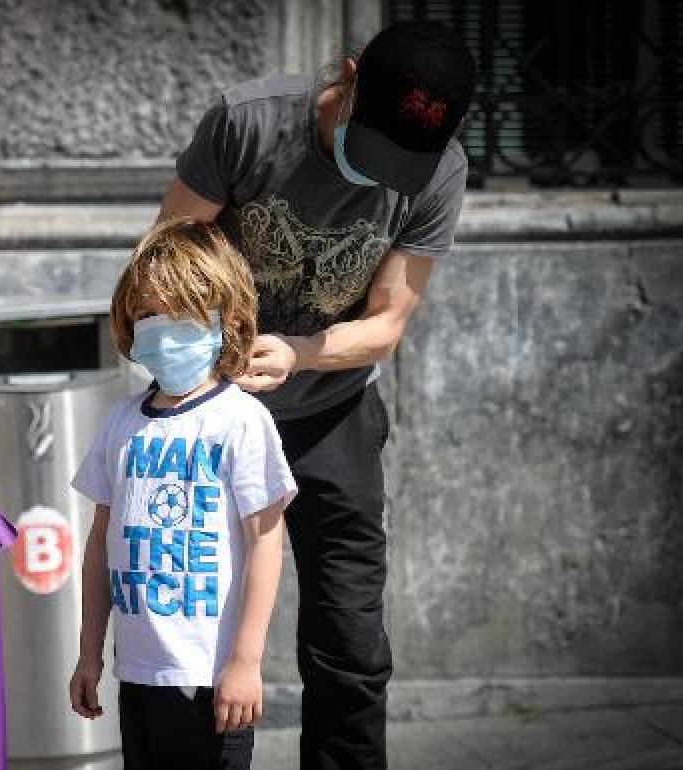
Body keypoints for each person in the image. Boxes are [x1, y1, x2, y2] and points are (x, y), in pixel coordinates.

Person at [154, 19, 478, 770]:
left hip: (336, 416)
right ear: (350, 77)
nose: (379, 174)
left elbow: (388, 322)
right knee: (206, 634)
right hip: (213, 410)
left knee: (350, 643)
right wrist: (211, 363)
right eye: (376, 145)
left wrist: (299, 353)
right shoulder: (248, 124)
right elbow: (167, 260)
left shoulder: (440, 172)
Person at [68, 218, 298, 770]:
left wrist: (246, 662)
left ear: (224, 319)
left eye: (181, 313)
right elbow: (100, 546)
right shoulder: (120, 422)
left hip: (211, 682)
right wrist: (89, 654)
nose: (161, 328)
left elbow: (266, 545)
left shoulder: (241, 421)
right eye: (148, 313)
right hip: (138, 677)